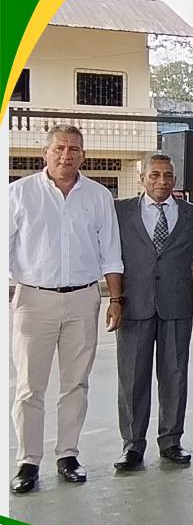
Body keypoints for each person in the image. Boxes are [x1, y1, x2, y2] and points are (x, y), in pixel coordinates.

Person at [9, 125, 124, 493]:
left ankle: (68, 455)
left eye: (74, 149)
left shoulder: (98, 196)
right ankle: (28, 462)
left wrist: (115, 299)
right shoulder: (19, 193)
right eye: (59, 148)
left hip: (83, 299)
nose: (66, 155)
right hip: (33, 300)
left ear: (83, 156)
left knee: (75, 382)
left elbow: (111, 251)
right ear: (45, 152)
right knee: (30, 386)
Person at [112, 153, 193, 470]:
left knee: (174, 374)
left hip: (176, 305)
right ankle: (132, 445)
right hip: (134, 305)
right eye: (154, 175)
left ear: (175, 179)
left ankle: (171, 441)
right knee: (132, 378)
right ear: (141, 178)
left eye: (168, 175)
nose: (162, 181)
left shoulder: (191, 214)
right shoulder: (120, 211)